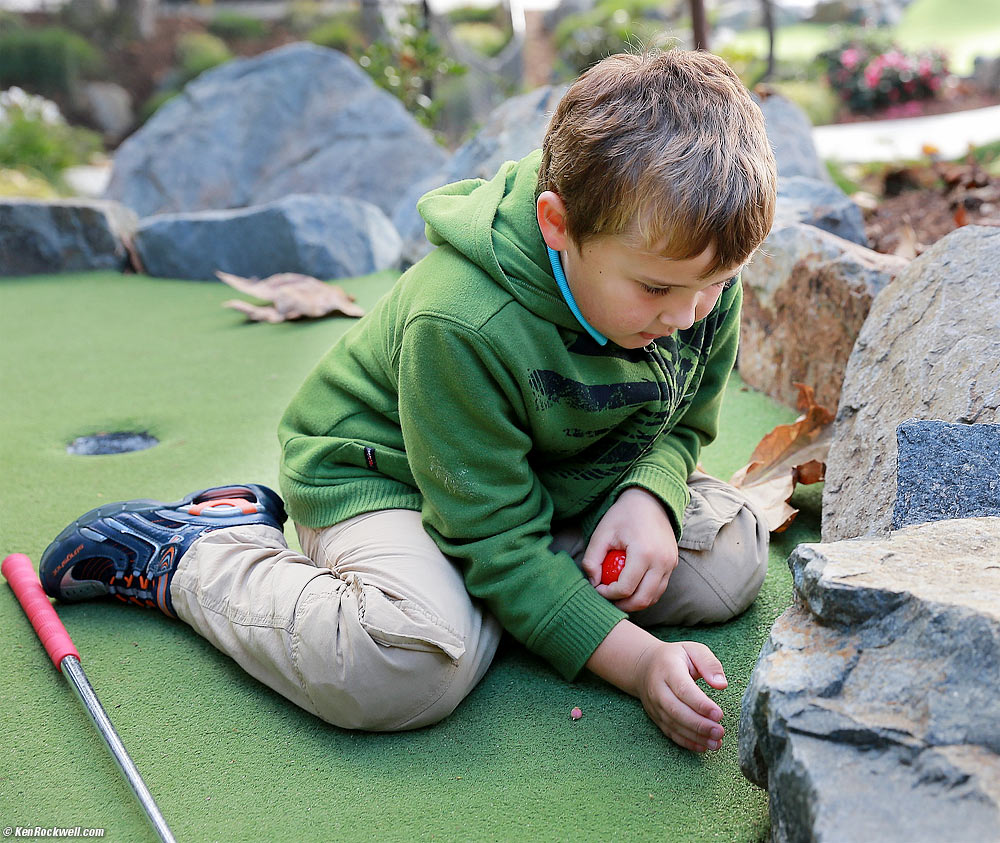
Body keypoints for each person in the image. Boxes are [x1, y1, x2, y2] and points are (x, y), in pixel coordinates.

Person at [40, 48, 777, 754]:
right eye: (654, 289)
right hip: (388, 478)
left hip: (542, 483)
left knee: (729, 558)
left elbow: (684, 420)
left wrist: (651, 492)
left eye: (713, 285)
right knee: (404, 671)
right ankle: (201, 549)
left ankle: (502, 604)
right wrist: (641, 661)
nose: (688, 315)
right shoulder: (460, 321)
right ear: (557, 225)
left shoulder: (694, 262)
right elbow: (493, 536)